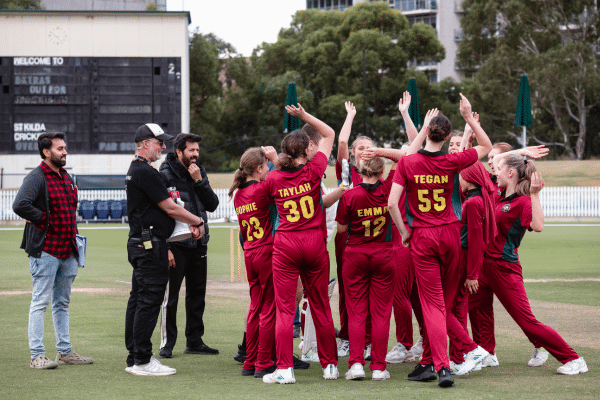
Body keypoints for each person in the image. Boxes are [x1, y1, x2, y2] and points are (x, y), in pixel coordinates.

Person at [388, 94, 492, 387]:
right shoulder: (451, 161)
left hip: (423, 236)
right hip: (449, 234)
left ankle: (446, 364)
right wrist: (469, 117)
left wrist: (405, 231)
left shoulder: (408, 163)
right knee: (442, 306)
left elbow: (392, 204)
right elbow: (485, 146)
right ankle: (428, 364)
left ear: (428, 133)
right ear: (447, 137)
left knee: (433, 307)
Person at [474, 154, 588, 376]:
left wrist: (535, 194)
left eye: (500, 168)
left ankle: (573, 358)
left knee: (527, 322)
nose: (494, 172)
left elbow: (537, 225)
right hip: (483, 265)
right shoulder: (498, 193)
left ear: (511, 173)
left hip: (504, 267)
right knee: (477, 310)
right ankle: (486, 353)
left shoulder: (524, 201)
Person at [262, 104, 338, 384]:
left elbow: (269, 201)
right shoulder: (315, 169)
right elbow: (329, 133)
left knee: (285, 309)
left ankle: (284, 369)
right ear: (306, 150)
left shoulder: (273, 177)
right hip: (314, 243)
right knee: (320, 305)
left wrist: (273, 162)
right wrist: (305, 116)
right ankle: (330, 366)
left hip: (287, 244)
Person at [124, 124, 205, 376]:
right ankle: (142, 360)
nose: (162, 146)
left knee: (139, 299)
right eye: (158, 142)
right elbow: (170, 208)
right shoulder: (145, 171)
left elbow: (164, 210)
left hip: (144, 241)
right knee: (148, 300)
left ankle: (136, 355)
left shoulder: (140, 170)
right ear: (145, 143)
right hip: (149, 244)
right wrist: (196, 220)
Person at [13, 132, 94, 370]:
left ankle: (65, 352)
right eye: (60, 149)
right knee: (40, 301)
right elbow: (19, 204)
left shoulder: (66, 177)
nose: (65, 152)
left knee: (62, 303)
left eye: (65, 148)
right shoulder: (37, 177)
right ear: (46, 152)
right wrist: (42, 219)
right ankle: (37, 355)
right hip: (46, 250)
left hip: (68, 250)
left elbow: (70, 211)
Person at [157, 133, 220, 359]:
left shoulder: (199, 172)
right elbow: (162, 212)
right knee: (170, 297)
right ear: (179, 151)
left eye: (197, 151)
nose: (195, 155)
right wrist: (166, 248)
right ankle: (167, 344)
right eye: (191, 150)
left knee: (197, 295)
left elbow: (212, 205)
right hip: (176, 245)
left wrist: (199, 181)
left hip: (199, 244)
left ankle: (194, 341)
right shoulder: (165, 174)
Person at [336, 156, 398, 381]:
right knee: (381, 314)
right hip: (383, 253)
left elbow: (342, 229)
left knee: (356, 312)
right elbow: (401, 158)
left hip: (356, 254)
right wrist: (380, 150)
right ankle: (379, 367)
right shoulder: (388, 189)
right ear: (381, 172)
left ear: (359, 170)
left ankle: (355, 364)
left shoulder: (350, 195)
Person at [230, 146, 278, 378]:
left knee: (255, 307)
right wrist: (276, 159)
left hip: (249, 252)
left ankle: (250, 361)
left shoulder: (238, 193)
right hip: (266, 252)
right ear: (259, 168)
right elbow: (284, 181)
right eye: (266, 165)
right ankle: (263, 361)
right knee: (269, 308)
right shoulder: (262, 188)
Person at [448, 161, 498, 373]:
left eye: (461, 175)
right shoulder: (477, 199)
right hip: (464, 259)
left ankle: (470, 350)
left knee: (442, 308)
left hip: (463, 260)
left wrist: (472, 274)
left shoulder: (473, 203)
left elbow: (476, 241)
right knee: (458, 309)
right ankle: (457, 357)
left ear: (468, 179)